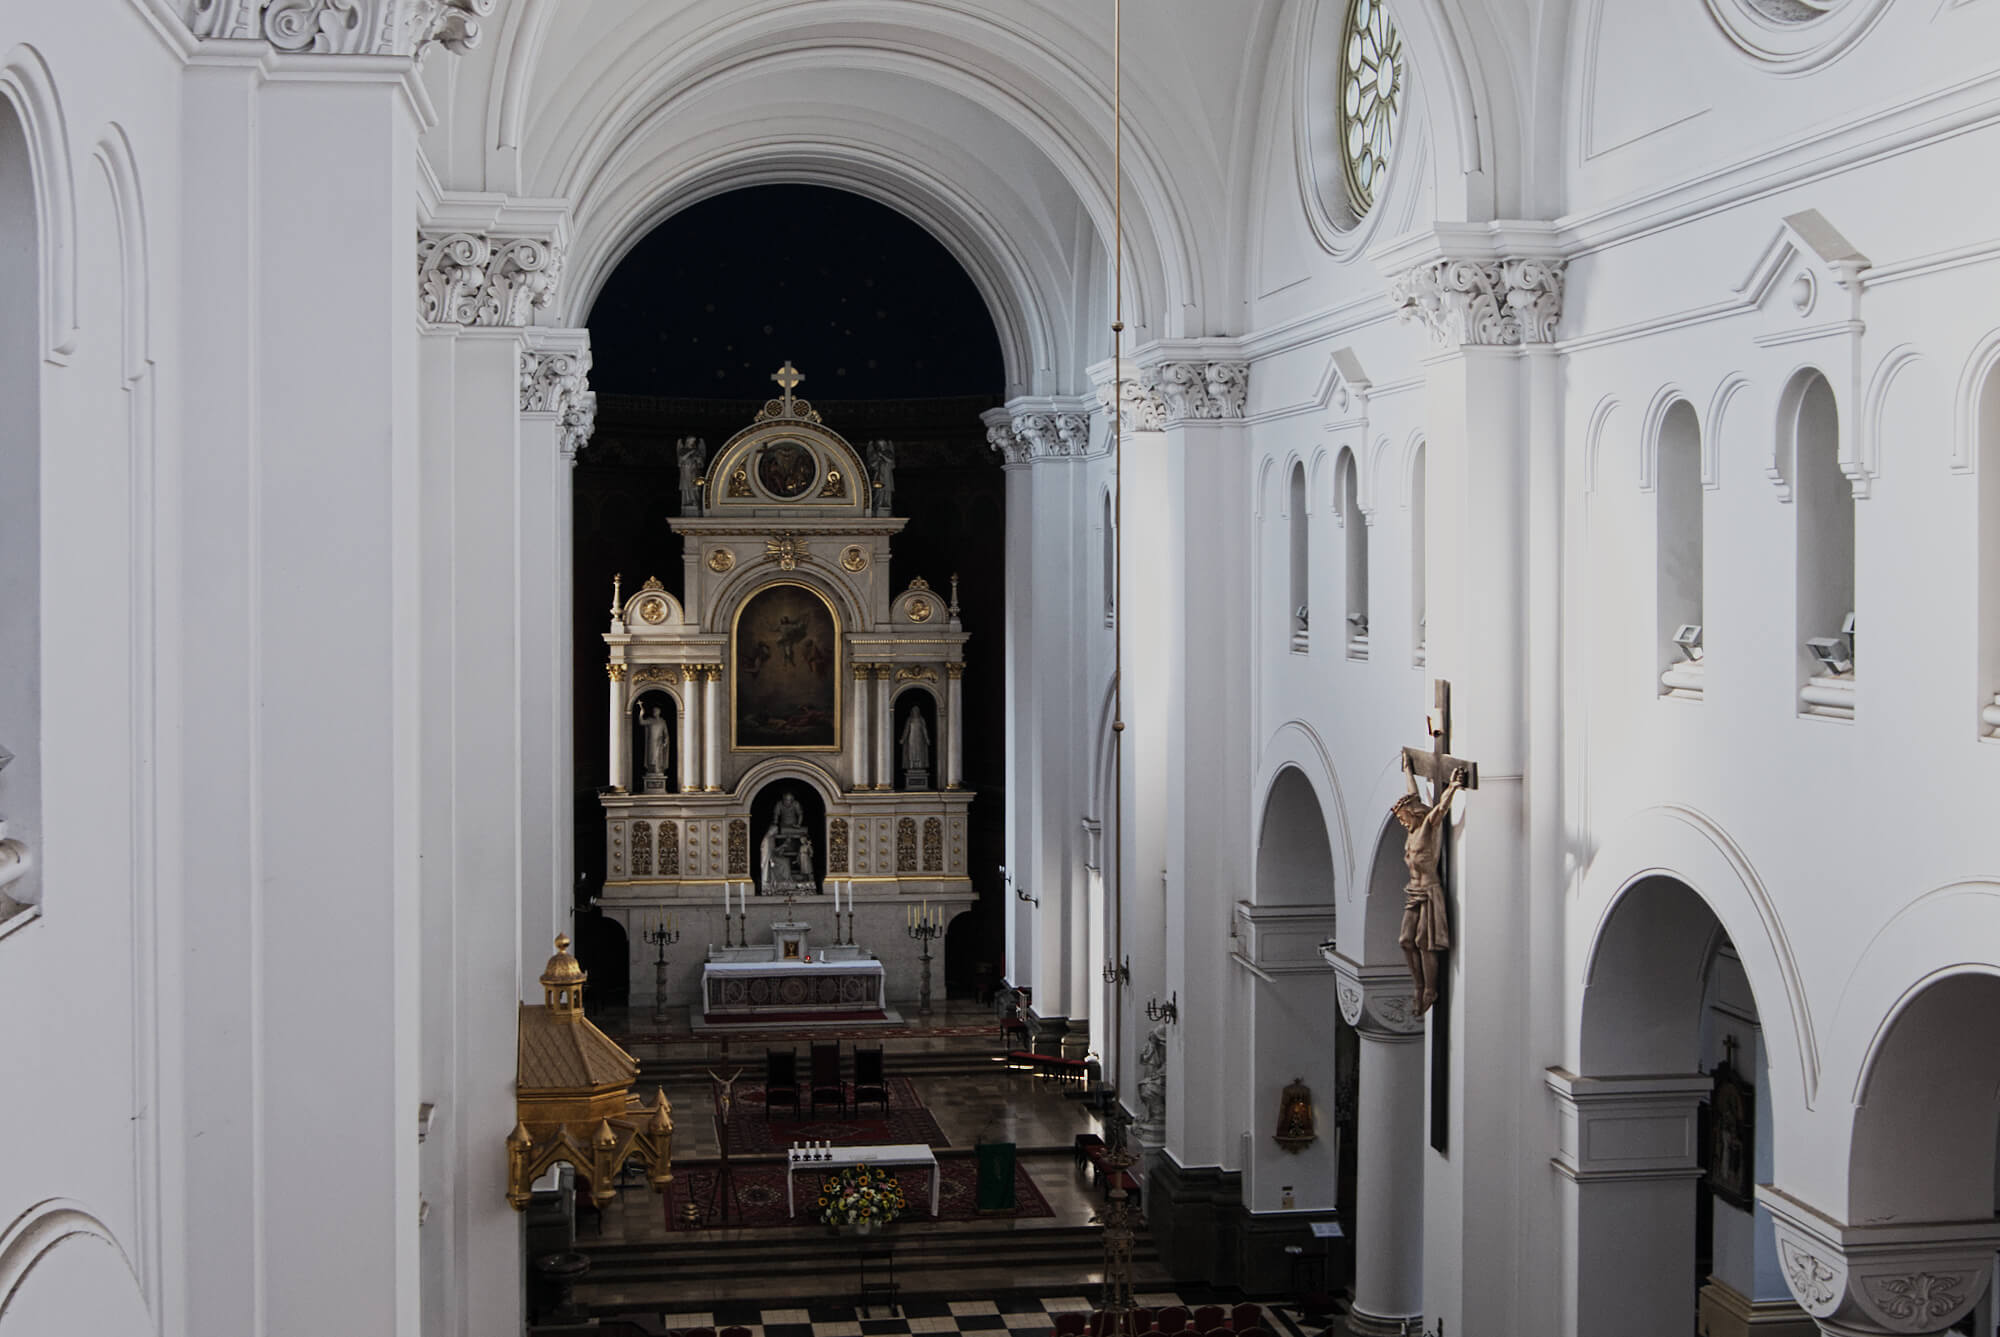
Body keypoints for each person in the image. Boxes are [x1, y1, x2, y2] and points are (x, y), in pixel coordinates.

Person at [1393, 754, 1468, 1014]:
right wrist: (1407, 770)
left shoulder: (1425, 828)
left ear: (1414, 814)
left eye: (1403, 817)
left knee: (1425, 943)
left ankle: (1429, 989)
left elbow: (1440, 810)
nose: (1402, 822)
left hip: (1428, 889)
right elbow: (1411, 793)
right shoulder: (1413, 832)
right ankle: (1418, 985)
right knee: (1405, 940)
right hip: (1413, 891)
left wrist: (1453, 787)